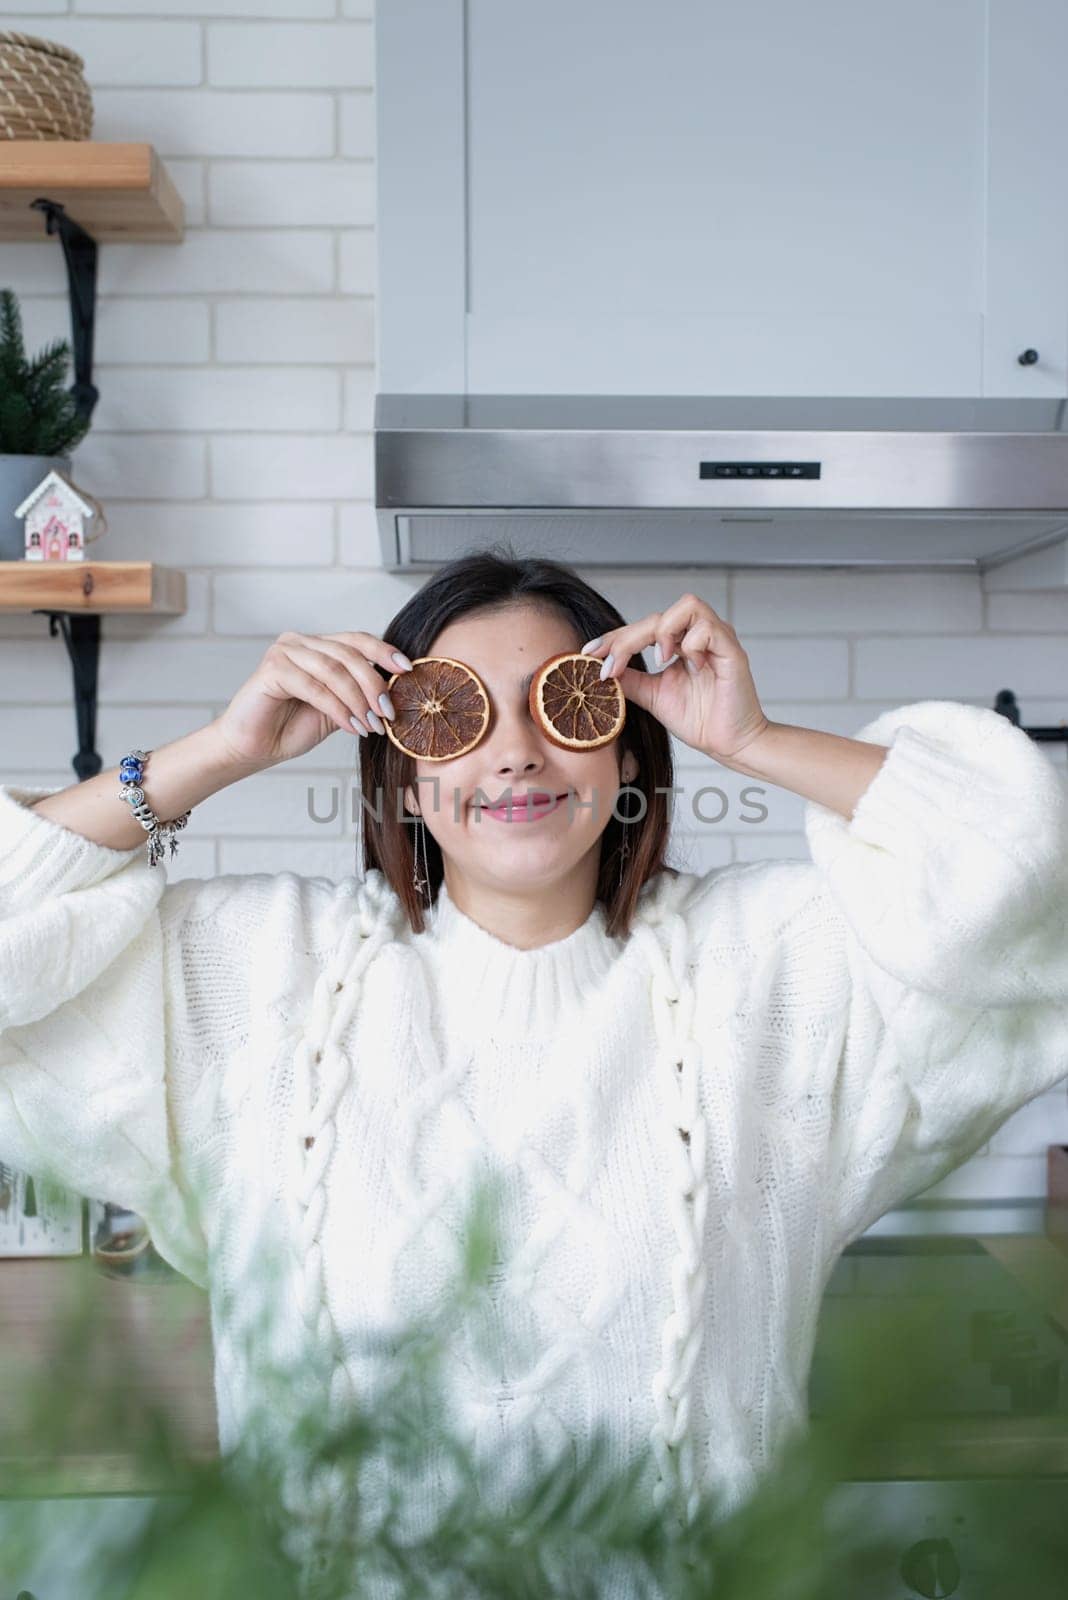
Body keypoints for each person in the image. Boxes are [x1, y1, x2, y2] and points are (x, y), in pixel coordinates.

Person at [1, 548, 1066, 1586]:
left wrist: (757, 738)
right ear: (404, 779)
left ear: (629, 756)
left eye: (564, 706)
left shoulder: (779, 972)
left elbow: (1025, 870)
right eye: (455, 715)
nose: (514, 754)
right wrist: (217, 754)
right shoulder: (260, 977)